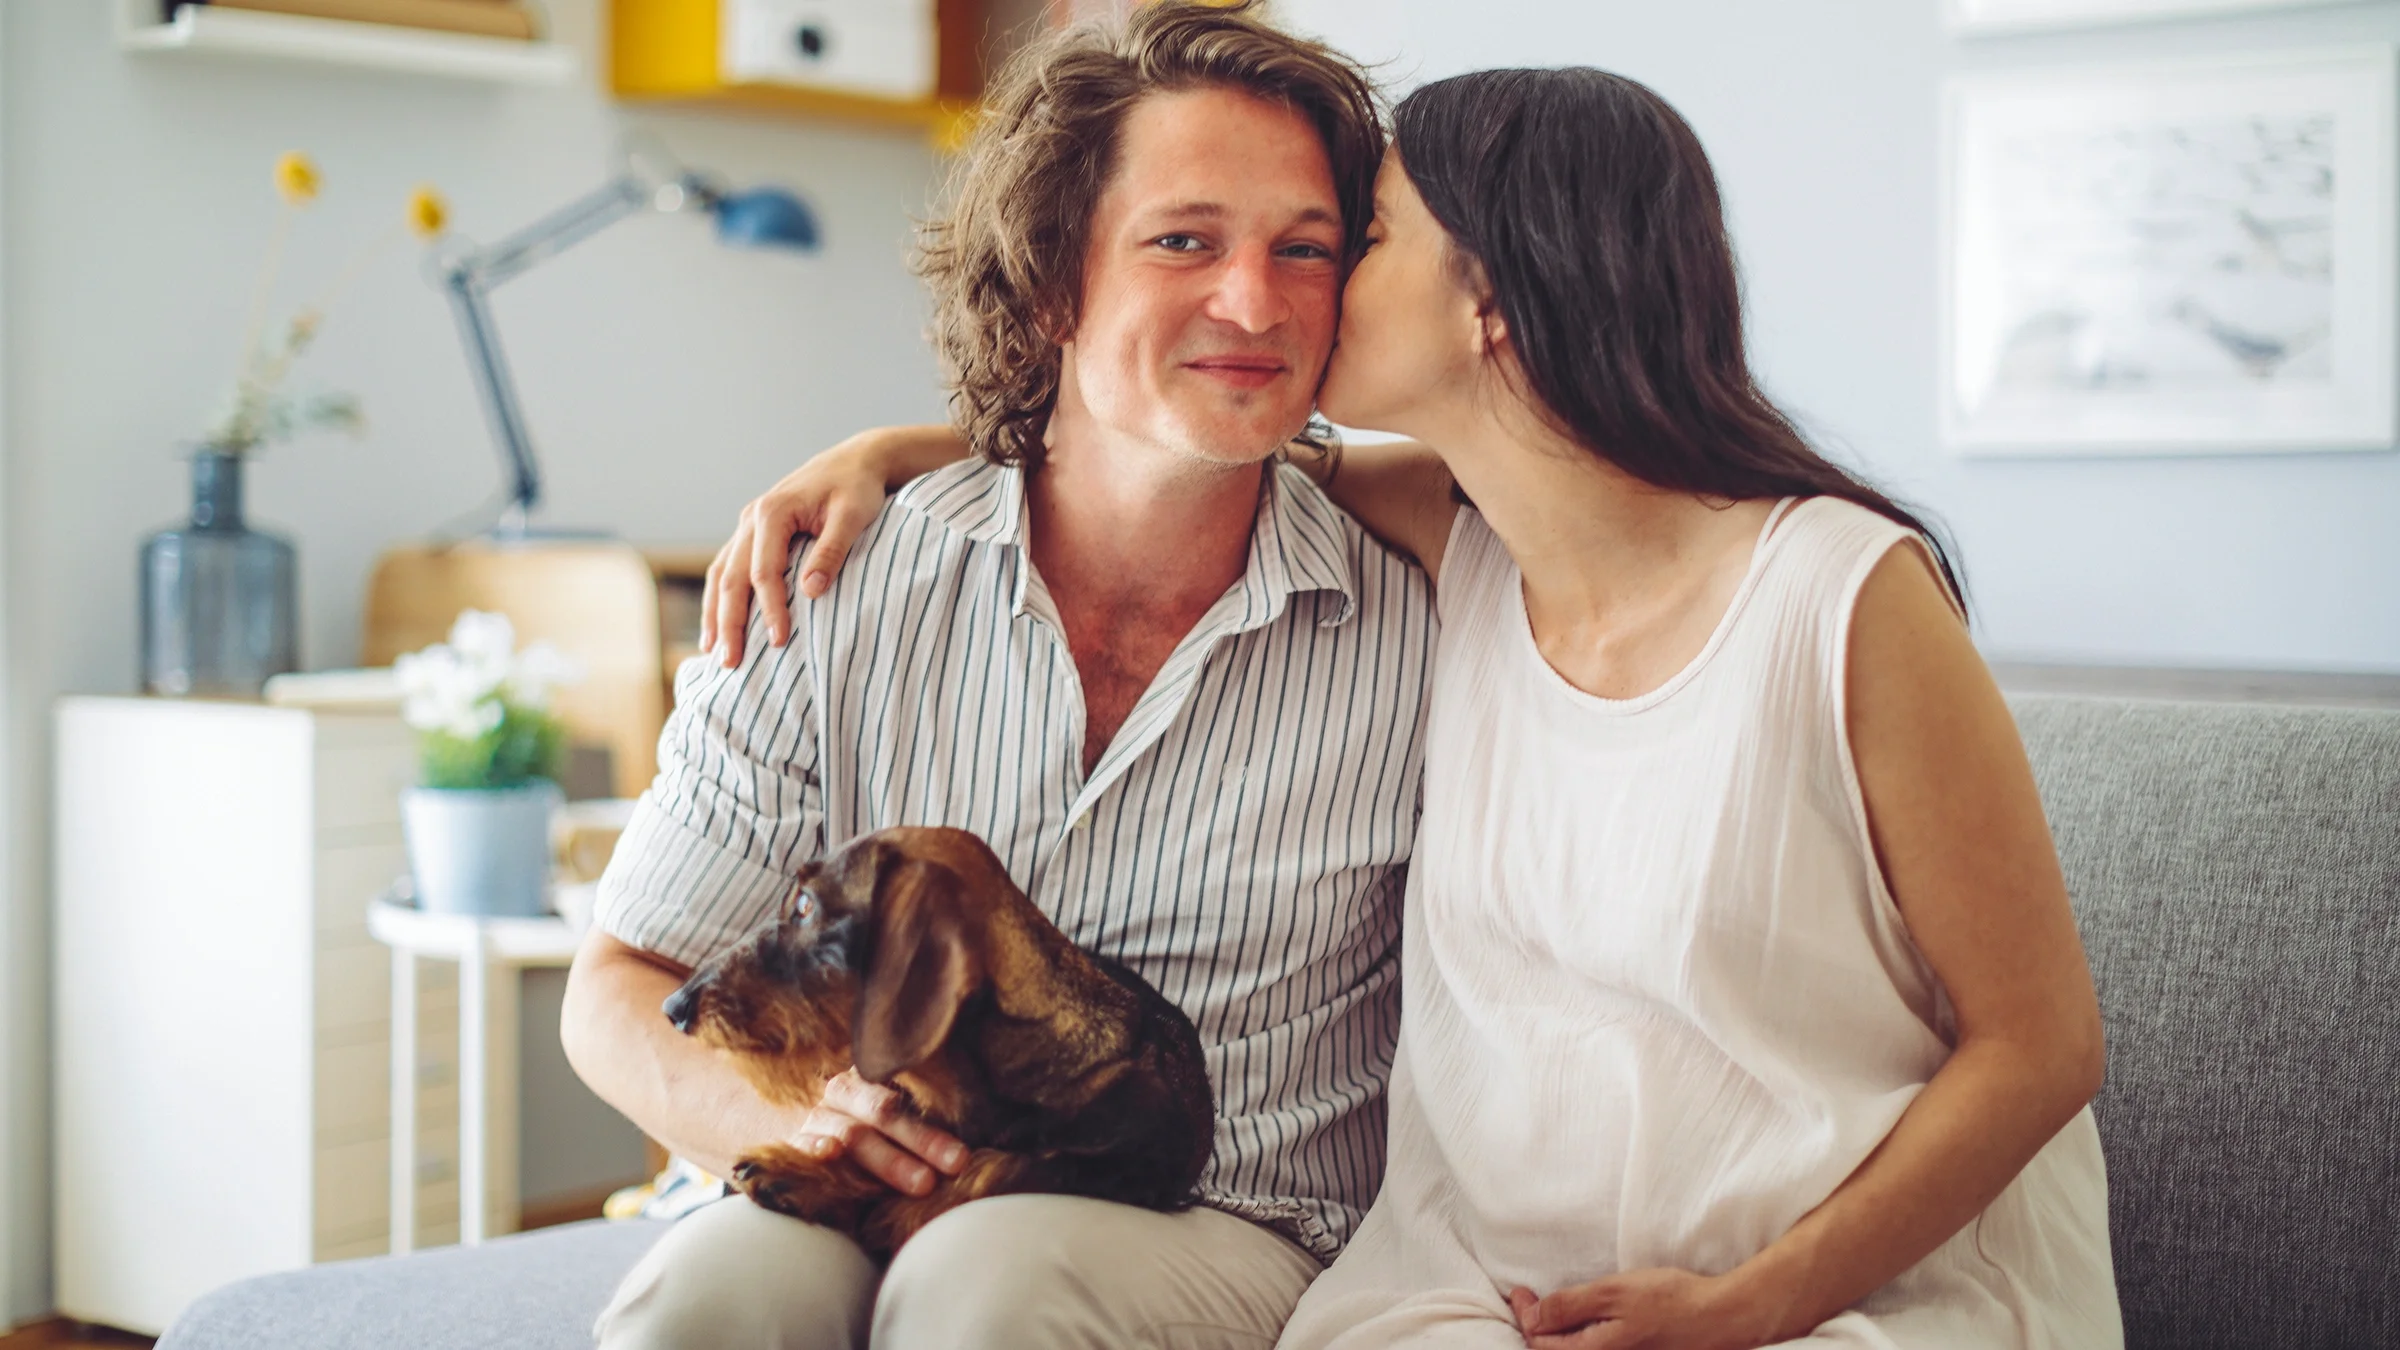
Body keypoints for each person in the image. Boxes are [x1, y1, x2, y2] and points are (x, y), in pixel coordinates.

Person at [707, 67, 2122, 1350]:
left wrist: (1759, 1303)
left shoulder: (1844, 595)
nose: (1287, 296)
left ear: (1489, 299)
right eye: (1205, 245)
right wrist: (891, 453)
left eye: (1353, 241)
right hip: (1494, 1291)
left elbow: (2044, 1044)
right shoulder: (1464, 545)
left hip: (1826, 1300)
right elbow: (1148, 433)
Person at [560, 6, 1437, 1348]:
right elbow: (622, 981)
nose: (1255, 301)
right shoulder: (831, 580)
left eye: (1303, 249)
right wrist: (812, 1120)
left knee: (989, 1285)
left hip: (1229, 1219)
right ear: (1049, 283)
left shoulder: (1423, 616)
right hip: (852, 1179)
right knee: (713, 1295)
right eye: (1184, 241)